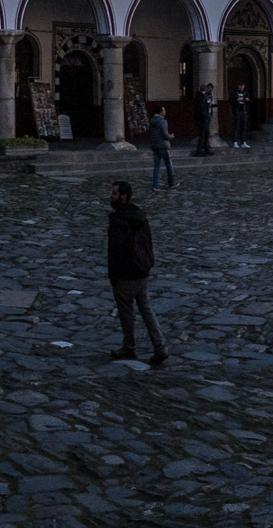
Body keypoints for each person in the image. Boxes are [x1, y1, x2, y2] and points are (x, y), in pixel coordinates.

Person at [106, 181, 168, 366]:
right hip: (142, 270)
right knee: (146, 309)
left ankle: (129, 346)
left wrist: (114, 275)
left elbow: (116, 251)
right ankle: (160, 346)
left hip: (127, 273)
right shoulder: (139, 215)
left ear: (123, 196)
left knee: (126, 311)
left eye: (114, 193)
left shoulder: (119, 220)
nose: (111, 195)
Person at [147, 107, 175, 191]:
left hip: (154, 145)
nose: (165, 111)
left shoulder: (152, 121)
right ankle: (171, 183)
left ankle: (155, 185)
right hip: (163, 145)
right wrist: (172, 136)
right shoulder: (162, 121)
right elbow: (165, 134)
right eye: (163, 110)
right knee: (168, 164)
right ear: (160, 112)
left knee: (156, 166)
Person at [193, 84, 216, 156]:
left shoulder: (199, 96)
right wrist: (205, 116)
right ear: (205, 90)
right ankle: (199, 151)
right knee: (203, 134)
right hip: (202, 118)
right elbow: (202, 108)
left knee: (205, 134)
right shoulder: (202, 97)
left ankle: (206, 149)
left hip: (201, 117)